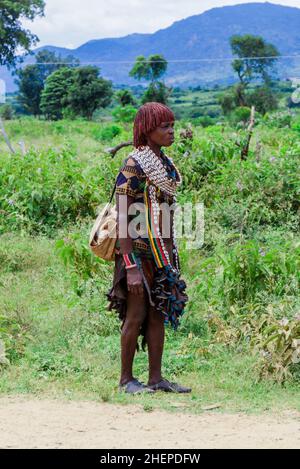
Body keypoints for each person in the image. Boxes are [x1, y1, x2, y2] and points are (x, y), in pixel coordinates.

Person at [106, 102, 191, 394]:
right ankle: (126, 380)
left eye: (172, 125)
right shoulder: (134, 164)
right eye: (164, 126)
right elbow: (122, 216)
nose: (171, 131)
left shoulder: (164, 164)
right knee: (137, 313)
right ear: (147, 129)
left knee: (158, 314)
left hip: (162, 253)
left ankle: (156, 379)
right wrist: (129, 266)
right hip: (137, 252)